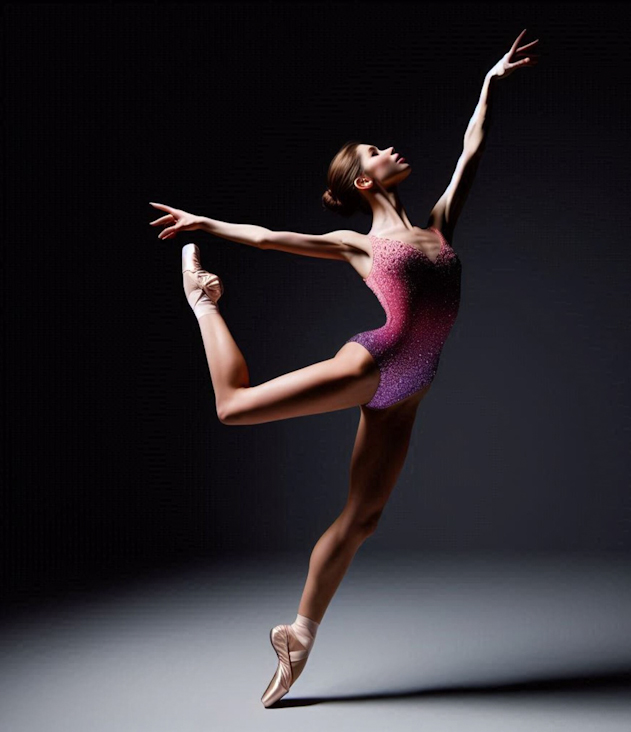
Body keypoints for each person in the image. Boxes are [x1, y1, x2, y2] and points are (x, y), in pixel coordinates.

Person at [148, 29, 539, 707]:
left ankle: (297, 636)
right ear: (364, 181)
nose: (391, 151)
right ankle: (203, 304)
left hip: (414, 385)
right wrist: (202, 225)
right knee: (234, 406)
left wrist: (489, 83)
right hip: (377, 359)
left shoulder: (439, 224)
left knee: (363, 519)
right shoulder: (359, 245)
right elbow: (270, 237)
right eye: (375, 153)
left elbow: (472, 146)